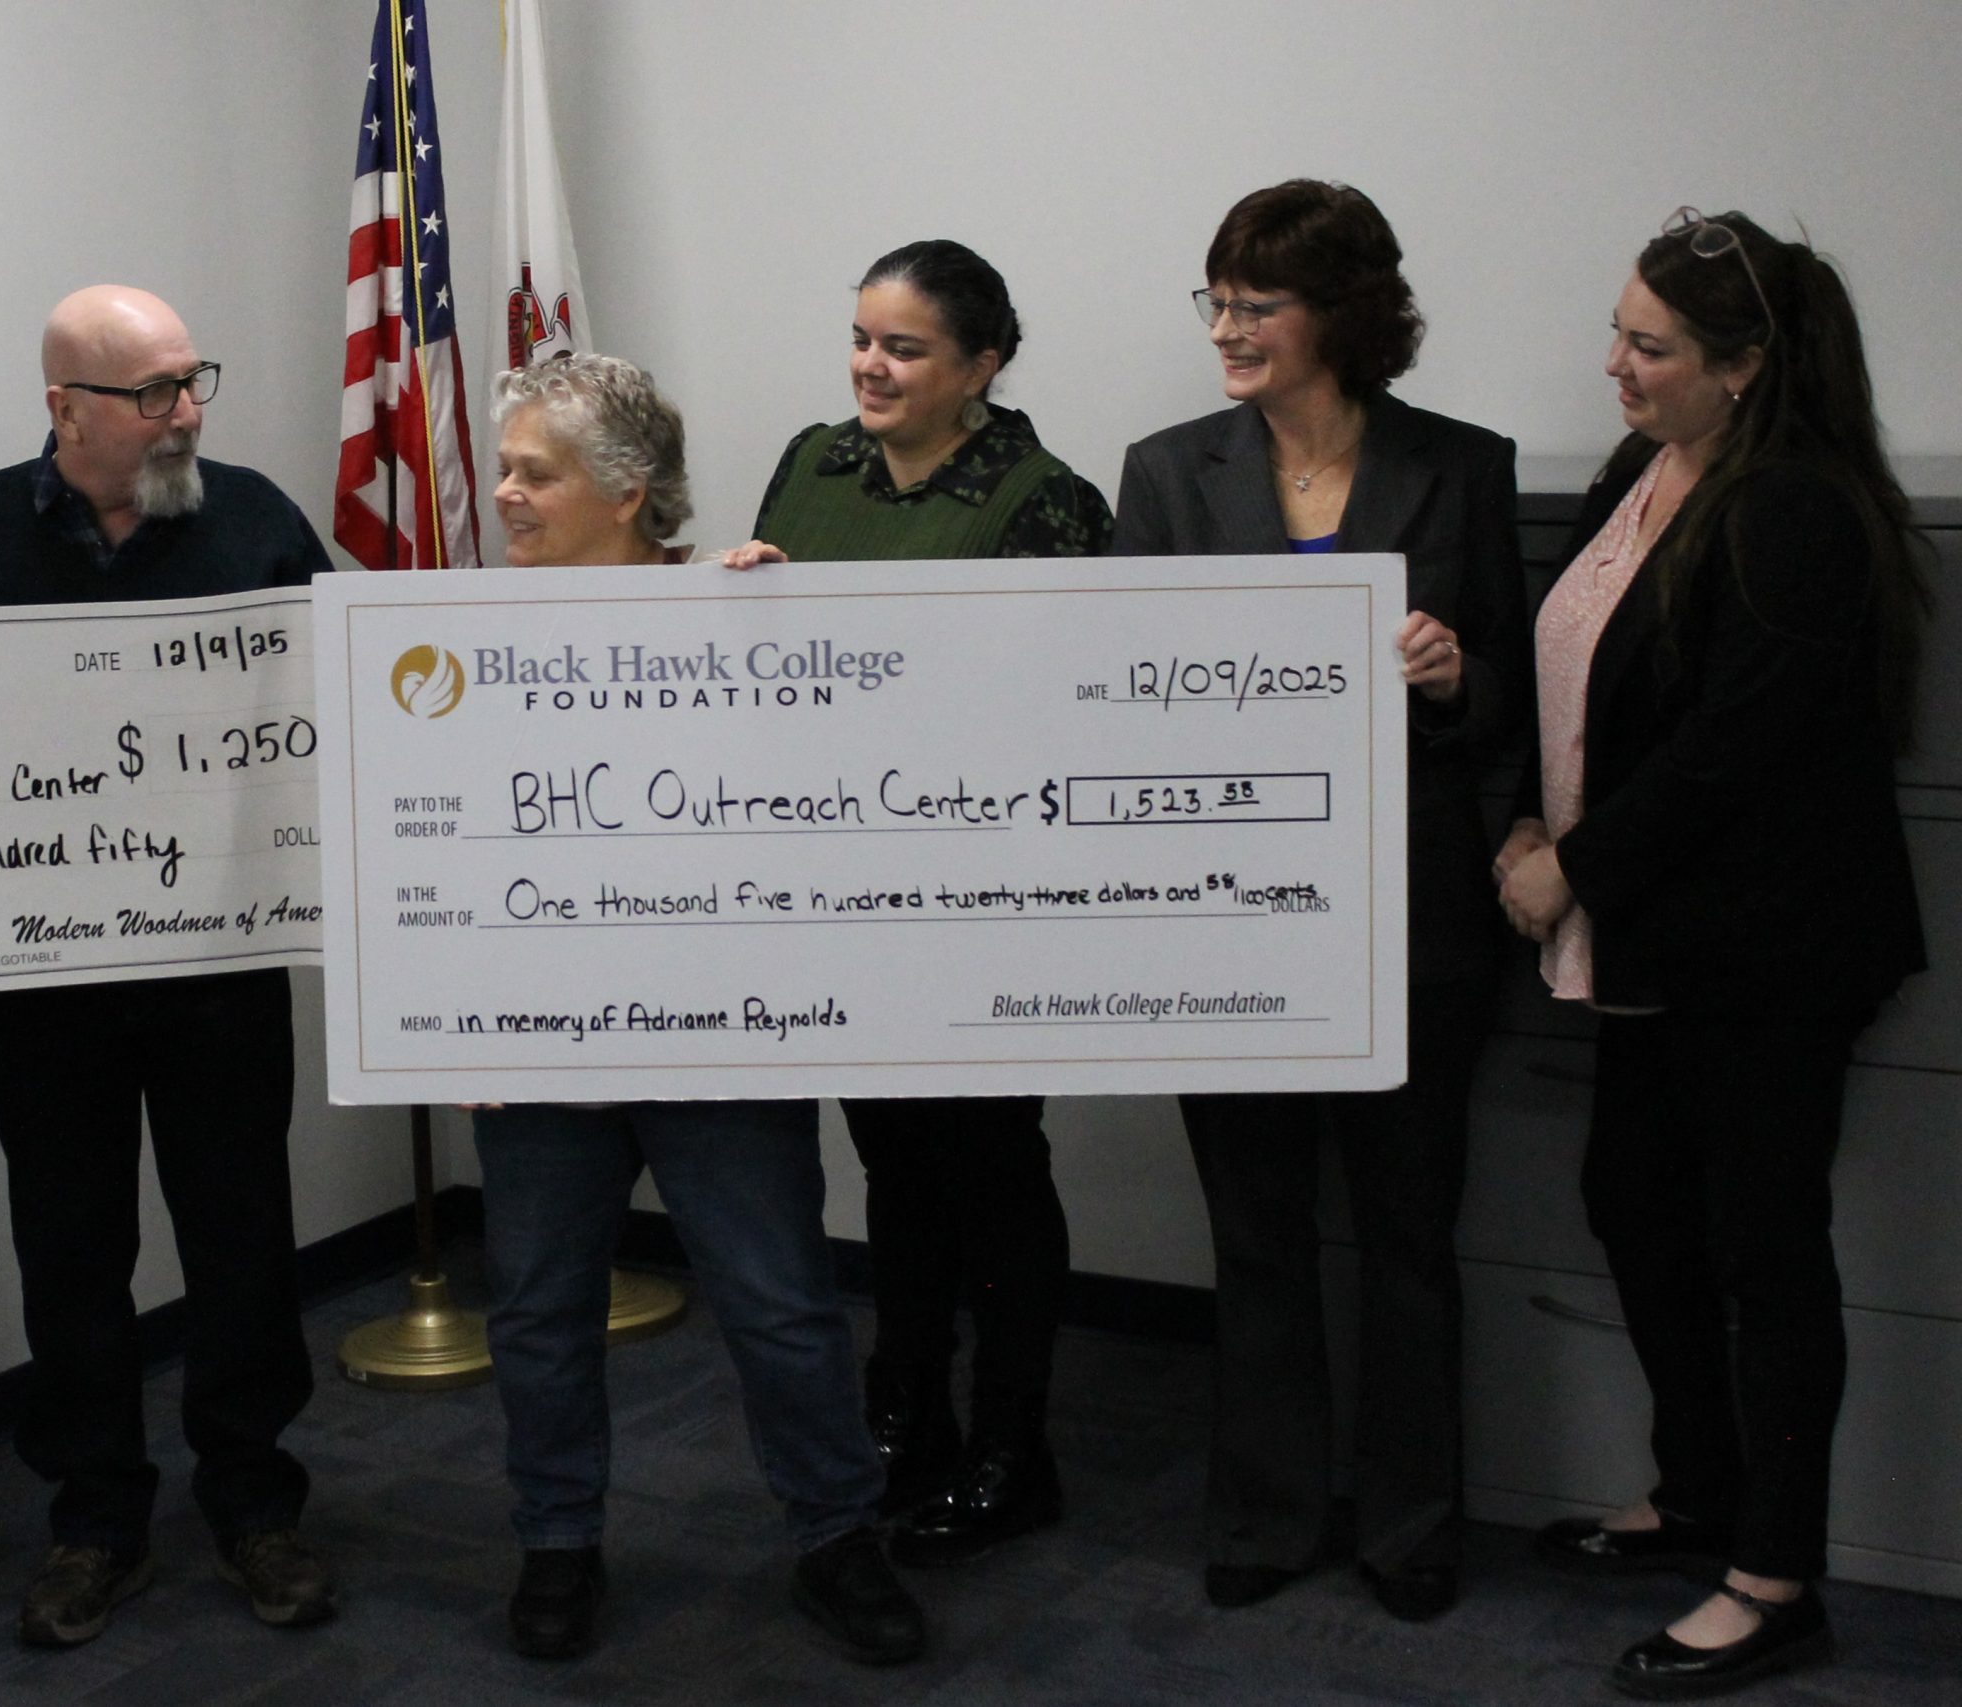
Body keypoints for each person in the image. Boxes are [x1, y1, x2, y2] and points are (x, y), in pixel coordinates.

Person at [1499, 210, 1927, 1698]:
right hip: (1656, 937)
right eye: (1619, 331)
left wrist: (1572, 871)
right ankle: (1696, 1498)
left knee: (1763, 1249)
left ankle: (1773, 1574)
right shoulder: (1650, 468)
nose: (1612, 365)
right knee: (1635, 1201)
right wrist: (1522, 834)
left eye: (1651, 346)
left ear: (1745, 368)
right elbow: (1581, 675)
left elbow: (1732, 753)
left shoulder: (1795, 508)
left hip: (1766, 948)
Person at [1110, 180, 1529, 1622]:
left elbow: (1511, 707)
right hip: (1229, 915)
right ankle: (1269, 1512)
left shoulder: (1463, 466)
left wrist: (1453, 674)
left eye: (1256, 305)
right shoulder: (1166, 473)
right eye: (1215, 300)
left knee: (1412, 1241)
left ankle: (1413, 1525)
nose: (1226, 329)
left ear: (1339, 316)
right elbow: (1121, 700)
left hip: (1409, 917)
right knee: (1258, 1235)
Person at [0, 286, 334, 1647]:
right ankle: (95, 1518)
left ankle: (256, 1503)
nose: (187, 411)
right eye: (151, 392)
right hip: (49, 979)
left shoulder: (256, 517)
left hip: (217, 960)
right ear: (63, 409)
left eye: (193, 379)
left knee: (241, 1235)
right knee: (70, 1249)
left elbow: (337, 704)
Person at [474, 354, 922, 1666]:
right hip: (541, 1042)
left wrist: (780, 631)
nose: (503, 494)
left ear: (626, 495)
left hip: (722, 1035)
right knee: (540, 1313)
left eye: (532, 473)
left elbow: (844, 784)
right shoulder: (459, 641)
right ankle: (557, 1544)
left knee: (781, 1304)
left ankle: (839, 1539)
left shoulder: (743, 615)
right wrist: (447, 1017)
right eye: (505, 467)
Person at [723, 240, 1110, 1566]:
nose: (869, 368)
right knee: (892, 1166)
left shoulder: (1045, 500)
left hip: (982, 900)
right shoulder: (813, 462)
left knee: (992, 1171)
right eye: (861, 339)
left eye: (904, 349)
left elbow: (1065, 715)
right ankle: (910, 1414)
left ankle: (1014, 1441)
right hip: (839, 887)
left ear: (983, 366)